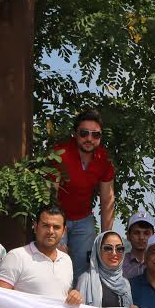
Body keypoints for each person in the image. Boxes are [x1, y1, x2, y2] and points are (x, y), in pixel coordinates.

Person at [52, 109, 116, 282]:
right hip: (59, 217)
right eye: (84, 133)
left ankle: (81, 297)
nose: (89, 138)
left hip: (83, 219)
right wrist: (57, 229)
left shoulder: (103, 158)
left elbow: (107, 199)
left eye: (96, 135)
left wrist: (106, 237)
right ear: (75, 133)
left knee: (84, 268)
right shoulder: (60, 154)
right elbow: (51, 197)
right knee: (57, 265)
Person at [121, 210, 155, 279]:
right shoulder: (119, 263)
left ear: (153, 236)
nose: (141, 237)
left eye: (146, 233)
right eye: (136, 233)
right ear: (128, 236)